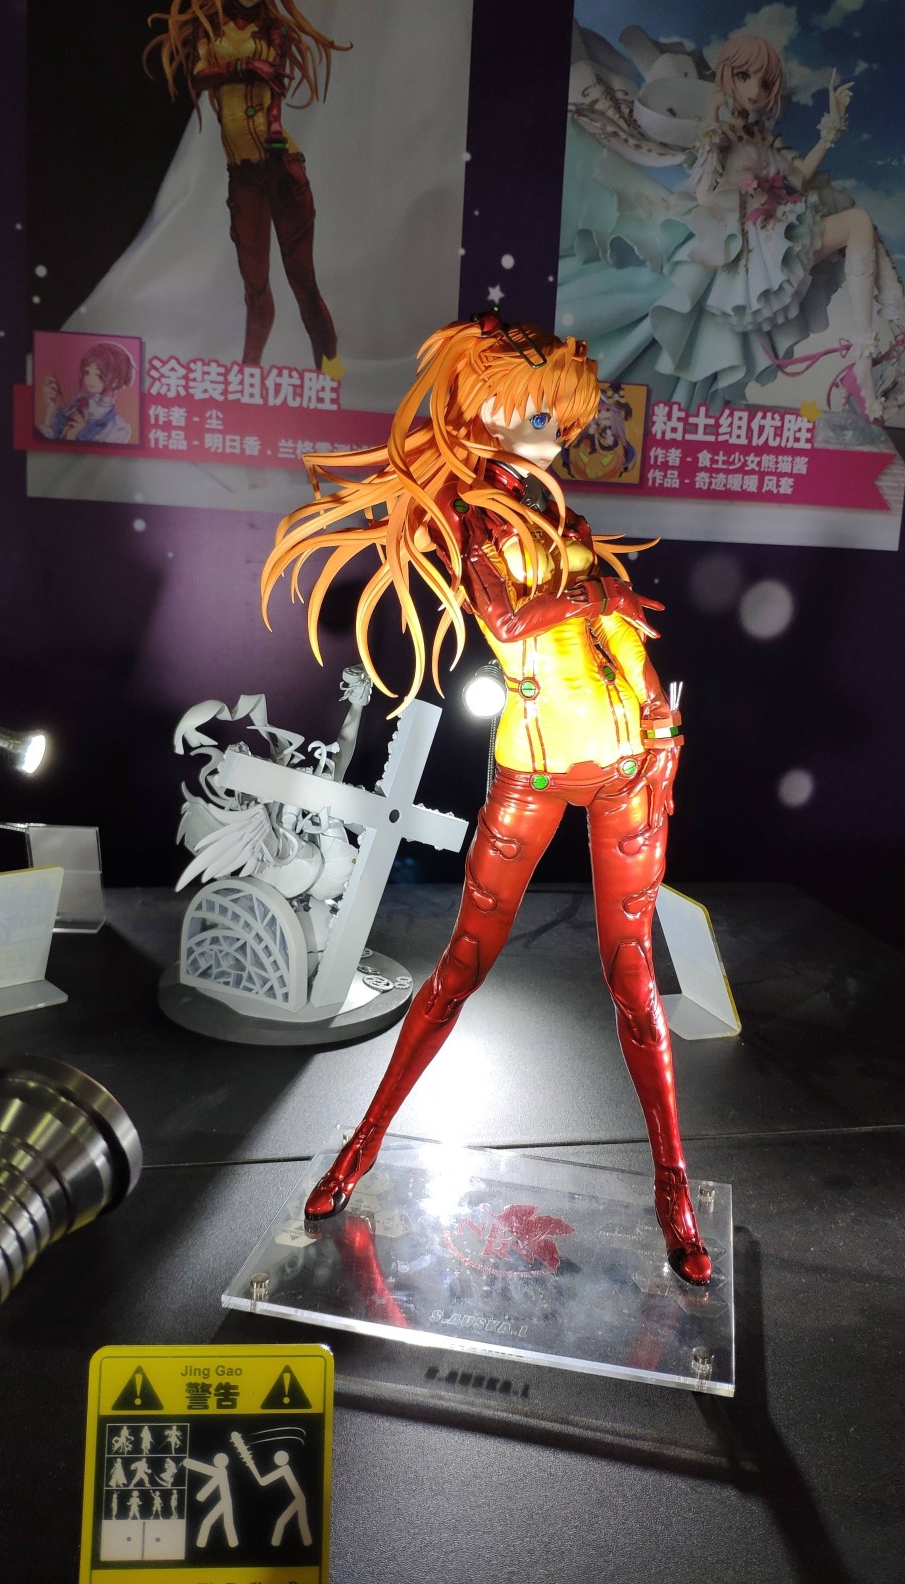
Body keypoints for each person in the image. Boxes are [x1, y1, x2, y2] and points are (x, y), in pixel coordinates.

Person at [262, 313, 710, 1284]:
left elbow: (618, 641)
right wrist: (600, 597)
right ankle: (361, 1147)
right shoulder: (476, 516)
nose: (558, 433)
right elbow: (507, 624)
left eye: (562, 417)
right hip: (535, 765)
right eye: (541, 413)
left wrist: (661, 732)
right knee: (462, 964)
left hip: (628, 763)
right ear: (486, 408)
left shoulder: (561, 519)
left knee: (635, 982)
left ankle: (673, 1186)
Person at [562, 32, 905, 422]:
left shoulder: (760, 137)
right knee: (705, 350)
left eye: (764, 83)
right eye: (744, 76)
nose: (754, 90)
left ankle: (869, 356)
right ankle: (874, 351)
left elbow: (797, 178)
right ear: (727, 75)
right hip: (742, 248)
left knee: (858, 224)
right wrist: (713, 134)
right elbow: (704, 194)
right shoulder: (720, 133)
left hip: (777, 233)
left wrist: (830, 131)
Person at [148, 0, 348, 375]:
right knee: (255, 289)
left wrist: (272, 123)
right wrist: (245, 68)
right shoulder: (210, 29)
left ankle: (332, 379)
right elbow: (200, 76)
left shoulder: (276, 31)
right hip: (242, 175)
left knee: (303, 284)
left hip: (282, 167)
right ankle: (248, 377)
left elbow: (275, 97)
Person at [38, 341, 135, 444]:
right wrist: (51, 409)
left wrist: (75, 437)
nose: (89, 379)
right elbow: (48, 442)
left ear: (117, 380)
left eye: (98, 375)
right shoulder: (77, 402)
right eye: (87, 372)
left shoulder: (119, 428)